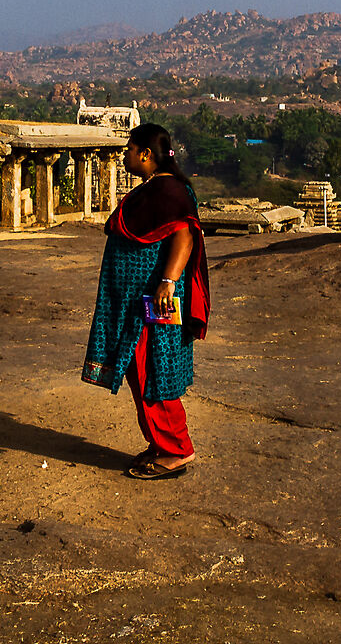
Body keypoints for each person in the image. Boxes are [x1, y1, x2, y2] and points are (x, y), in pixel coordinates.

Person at [80, 123, 209, 479]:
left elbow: (184, 236)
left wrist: (167, 282)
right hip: (137, 304)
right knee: (141, 373)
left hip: (155, 303)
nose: (126, 155)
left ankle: (176, 450)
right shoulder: (158, 188)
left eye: (129, 149)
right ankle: (159, 443)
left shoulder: (169, 191)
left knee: (154, 373)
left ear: (146, 154)